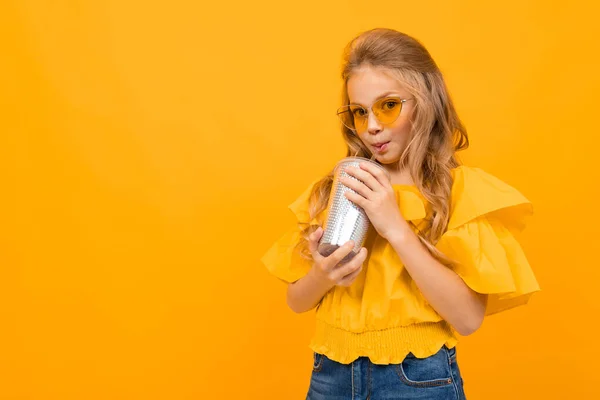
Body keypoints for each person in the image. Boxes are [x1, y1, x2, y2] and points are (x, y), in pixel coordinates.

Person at [260, 27, 540, 400]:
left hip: (418, 379)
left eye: (388, 105)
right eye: (360, 112)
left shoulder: (455, 191)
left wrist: (395, 228)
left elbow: (468, 319)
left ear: (425, 101)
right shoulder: (339, 187)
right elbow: (297, 301)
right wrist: (322, 273)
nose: (372, 125)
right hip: (330, 375)